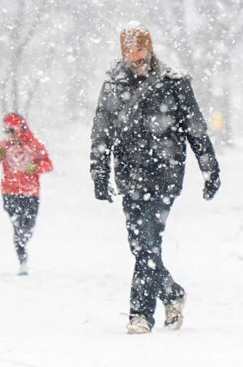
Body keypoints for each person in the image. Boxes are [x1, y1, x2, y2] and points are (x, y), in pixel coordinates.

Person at [90, 23, 221, 334]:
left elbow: (195, 128)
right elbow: (101, 133)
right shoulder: (113, 86)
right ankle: (172, 293)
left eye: (139, 49)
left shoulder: (174, 83)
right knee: (139, 245)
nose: (135, 57)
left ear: (149, 49)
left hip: (164, 174)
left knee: (149, 242)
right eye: (128, 51)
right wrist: (99, 172)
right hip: (129, 176)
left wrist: (210, 168)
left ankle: (140, 314)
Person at [0, 113, 53, 275]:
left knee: (28, 226)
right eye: (7, 131)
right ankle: (22, 258)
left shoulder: (34, 145)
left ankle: (23, 242)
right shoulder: (3, 146)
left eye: (12, 130)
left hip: (31, 193)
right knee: (17, 226)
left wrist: (35, 168)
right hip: (10, 192)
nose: (10, 134)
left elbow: (48, 164)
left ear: (21, 128)